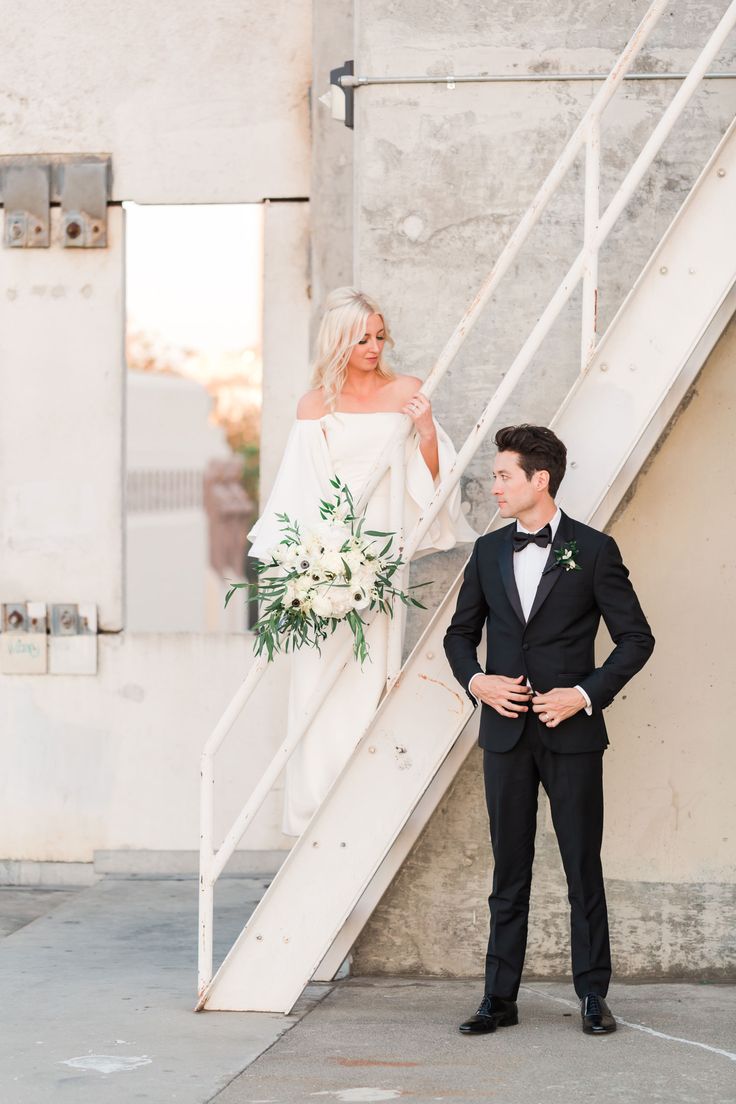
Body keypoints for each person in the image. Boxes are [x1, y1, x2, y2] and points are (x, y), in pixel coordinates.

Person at [443, 424, 654, 1037]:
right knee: (509, 868)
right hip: (505, 735)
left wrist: (584, 693)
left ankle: (593, 996)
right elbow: (459, 635)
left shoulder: (593, 549)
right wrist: (478, 683)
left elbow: (636, 638)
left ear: (541, 479)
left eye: (504, 474)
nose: (495, 484)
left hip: (573, 735)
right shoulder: (487, 552)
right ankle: (497, 999)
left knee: (581, 866)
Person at [248, 287, 476, 836]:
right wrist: (309, 563)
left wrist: (423, 429)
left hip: (382, 550)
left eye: (379, 335)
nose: (374, 347)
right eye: (362, 338)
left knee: (376, 667)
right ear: (339, 342)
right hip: (330, 551)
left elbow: (436, 475)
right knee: (318, 672)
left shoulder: (407, 390)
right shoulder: (314, 406)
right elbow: (302, 489)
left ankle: (366, 801)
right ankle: (313, 811)